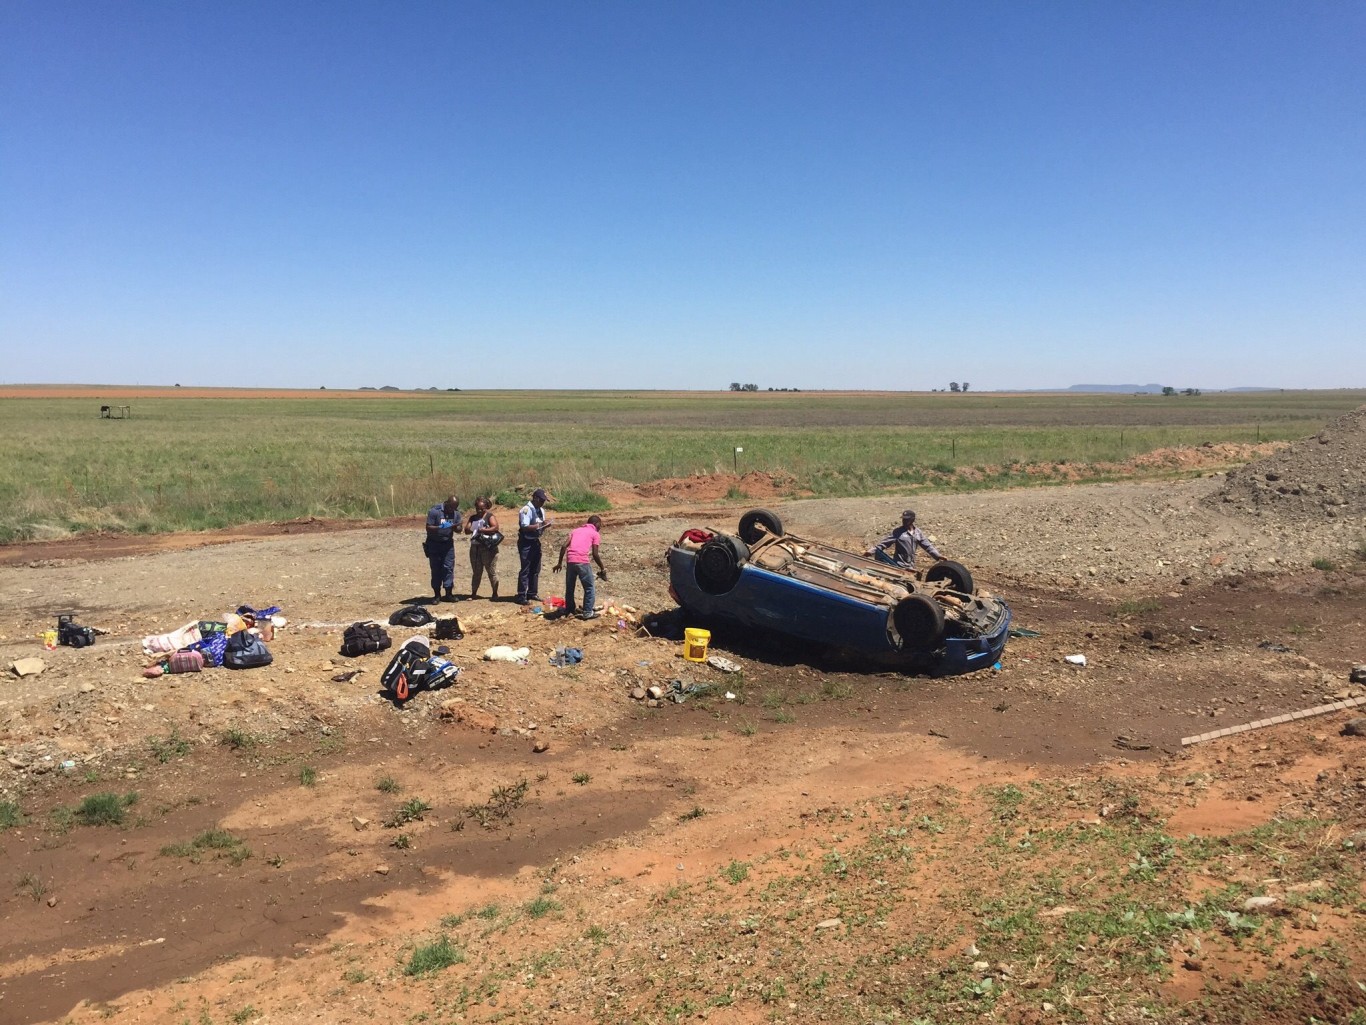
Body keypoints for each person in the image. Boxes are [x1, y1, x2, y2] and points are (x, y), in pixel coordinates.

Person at [553, 514, 608, 620]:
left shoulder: (575, 531)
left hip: (570, 561)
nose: (600, 527)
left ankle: (569, 609)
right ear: (596, 524)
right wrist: (602, 568)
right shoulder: (595, 534)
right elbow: (595, 554)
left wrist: (559, 563)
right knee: (589, 587)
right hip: (582, 561)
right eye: (600, 525)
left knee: (570, 587)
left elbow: (564, 546)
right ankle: (587, 612)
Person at [514, 488, 554, 605]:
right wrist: (539, 525)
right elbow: (524, 526)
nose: (543, 503)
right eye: (541, 500)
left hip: (535, 541)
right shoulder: (526, 510)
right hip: (526, 542)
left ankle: (532, 592)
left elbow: (540, 524)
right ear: (535, 498)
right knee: (525, 568)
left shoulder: (540, 510)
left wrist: (545, 525)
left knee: (535, 568)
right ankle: (521, 595)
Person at [865, 509, 942, 569]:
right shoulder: (898, 532)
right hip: (898, 565)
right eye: (903, 519)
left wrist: (938, 556)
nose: (904, 521)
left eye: (906, 519)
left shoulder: (918, 532)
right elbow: (883, 544)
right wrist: (869, 552)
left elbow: (927, 546)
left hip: (911, 566)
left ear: (912, 520)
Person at [424, 496, 462, 602]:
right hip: (434, 544)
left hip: (448, 544)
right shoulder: (435, 511)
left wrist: (456, 527)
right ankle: (437, 595)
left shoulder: (456, 513)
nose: (451, 510)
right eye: (450, 507)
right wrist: (442, 527)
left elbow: (459, 529)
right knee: (436, 569)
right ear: (446, 503)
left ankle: (449, 594)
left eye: (454, 508)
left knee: (448, 568)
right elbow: (428, 527)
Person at [464, 496, 502, 599]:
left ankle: (495, 593)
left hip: (488, 548)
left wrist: (483, 530)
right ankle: (473, 593)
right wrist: (472, 528)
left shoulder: (490, 516)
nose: (479, 511)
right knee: (476, 571)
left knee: (491, 571)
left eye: (482, 508)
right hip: (475, 547)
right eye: (477, 508)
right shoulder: (473, 518)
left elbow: (495, 527)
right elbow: (466, 530)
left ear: (486, 507)